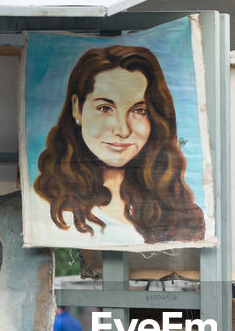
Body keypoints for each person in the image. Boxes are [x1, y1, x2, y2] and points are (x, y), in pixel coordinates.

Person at [31, 45, 205, 245]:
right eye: (105, 108)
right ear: (77, 109)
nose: (122, 130)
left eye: (139, 110)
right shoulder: (45, 207)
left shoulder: (182, 211)